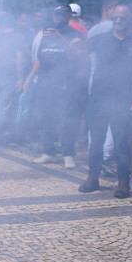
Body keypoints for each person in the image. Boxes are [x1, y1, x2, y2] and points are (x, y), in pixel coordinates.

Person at [79, 4, 132, 198]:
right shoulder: (99, 39)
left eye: (123, 18)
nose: (119, 22)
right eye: (116, 19)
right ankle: (92, 178)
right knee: (96, 143)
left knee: (122, 144)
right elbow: (81, 58)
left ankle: (122, 182)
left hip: (124, 100)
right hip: (98, 98)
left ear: (130, 18)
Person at [23, 21, 83, 168]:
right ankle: (49, 152)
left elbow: (73, 54)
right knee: (45, 118)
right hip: (45, 84)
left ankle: (68, 155)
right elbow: (39, 59)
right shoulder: (45, 37)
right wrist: (29, 77)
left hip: (65, 85)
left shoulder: (74, 35)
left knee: (65, 121)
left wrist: (60, 37)